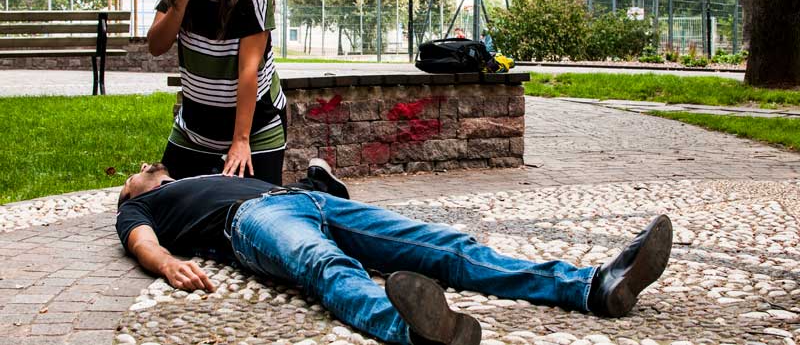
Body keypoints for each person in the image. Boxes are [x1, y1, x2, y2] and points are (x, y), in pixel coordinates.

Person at [116, 162, 674, 345]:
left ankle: (591, 286)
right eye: (138, 173)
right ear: (132, 192)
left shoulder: (206, 174)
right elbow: (140, 242)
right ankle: (416, 329)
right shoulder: (144, 208)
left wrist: (320, 184)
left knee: (449, 247)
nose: (146, 166)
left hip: (303, 200)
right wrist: (167, 264)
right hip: (254, 223)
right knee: (325, 266)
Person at [146, 0, 287, 183]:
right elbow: (156, 45)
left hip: (255, 127)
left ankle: (318, 182)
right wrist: (182, 0)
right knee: (160, 203)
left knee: (258, 211)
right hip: (195, 129)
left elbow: (249, 69)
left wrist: (241, 140)